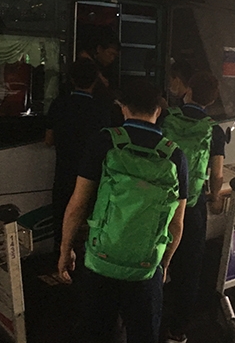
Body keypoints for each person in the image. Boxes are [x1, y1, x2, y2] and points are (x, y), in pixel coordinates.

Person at [58, 81, 188, 343]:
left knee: (96, 333)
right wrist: (164, 264)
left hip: (101, 261)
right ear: (158, 110)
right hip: (145, 268)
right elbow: (177, 223)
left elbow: (77, 205)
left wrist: (65, 250)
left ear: (123, 108)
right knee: (143, 335)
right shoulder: (175, 155)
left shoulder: (104, 141)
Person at [160, 71, 225, 343]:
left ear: (188, 91)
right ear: (211, 101)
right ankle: (177, 331)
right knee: (188, 271)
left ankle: (147, 319)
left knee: (156, 260)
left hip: (161, 201)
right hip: (192, 206)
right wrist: (216, 196)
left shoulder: (166, 117)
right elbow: (217, 174)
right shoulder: (214, 130)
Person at [44, 58, 111, 248]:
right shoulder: (101, 110)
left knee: (62, 226)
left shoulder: (59, 104)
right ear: (95, 81)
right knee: (86, 229)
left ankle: (61, 260)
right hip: (92, 180)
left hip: (63, 176)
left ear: (72, 79)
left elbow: (48, 140)